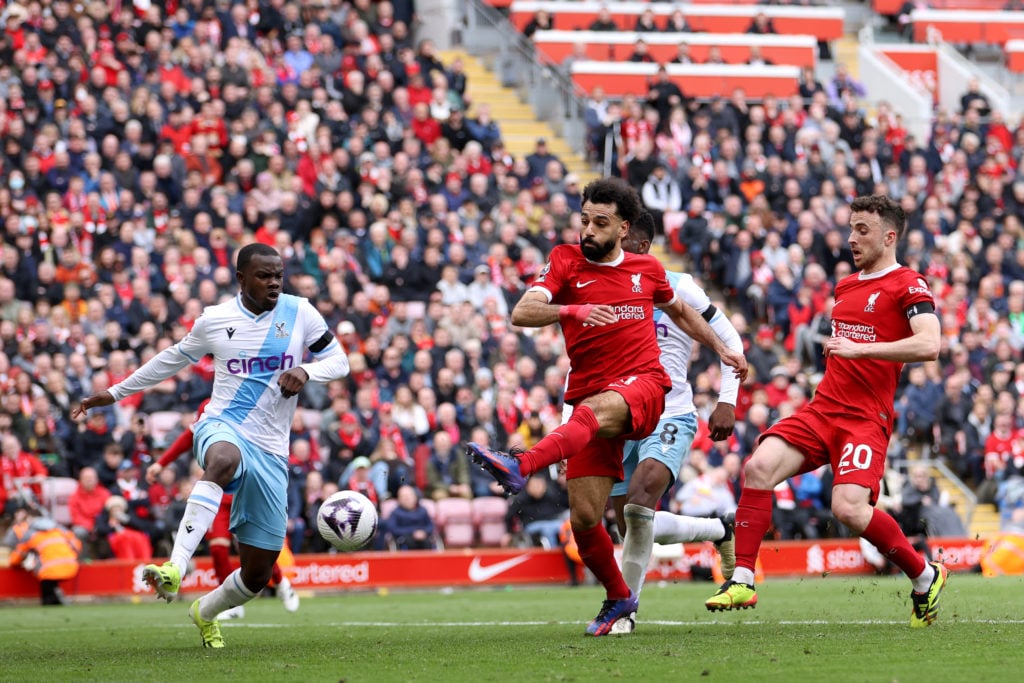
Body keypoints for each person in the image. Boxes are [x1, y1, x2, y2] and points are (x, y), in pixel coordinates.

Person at [469, 178, 747, 636]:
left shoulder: (649, 270)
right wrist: (569, 311)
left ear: (623, 228)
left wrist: (723, 350)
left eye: (600, 223)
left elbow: (680, 311)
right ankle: (620, 597)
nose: (588, 231)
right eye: (584, 221)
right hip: (587, 397)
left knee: (602, 424)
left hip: (648, 389)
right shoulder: (564, 260)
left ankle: (522, 464)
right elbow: (522, 312)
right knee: (586, 517)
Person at [74, 243, 350, 648]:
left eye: (278, 275)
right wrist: (115, 393)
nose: (274, 282)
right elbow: (171, 359)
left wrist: (307, 370)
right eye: (264, 275)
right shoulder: (216, 320)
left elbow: (340, 360)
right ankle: (176, 566)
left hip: (272, 450)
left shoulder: (300, 312)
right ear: (241, 279)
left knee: (257, 574)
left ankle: (205, 611)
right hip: (223, 425)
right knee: (222, 457)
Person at [704, 195, 948, 629]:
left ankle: (925, 575)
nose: (851, 238)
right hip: (822, 410)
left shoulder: (909, 284)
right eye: (851, 228)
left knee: (849, 509)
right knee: (757, 467)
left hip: (864, 418)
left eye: (863, 230)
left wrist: (863, 349)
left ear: (889, 237)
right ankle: (742, 577)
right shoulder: (846, 285)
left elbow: (930, 345)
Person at [613, 211, 745, 605]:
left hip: (670, 413)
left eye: (619, 244)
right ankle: (718, 531)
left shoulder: (680, 287)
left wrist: (727, 400)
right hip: (620, 418)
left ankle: (623, 609)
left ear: (641, 246)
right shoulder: (603, 288)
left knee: (639, 503)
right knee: (631, 528)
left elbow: (729, 338)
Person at [145, 399, 300, 620]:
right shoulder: (208, 405)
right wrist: (161, 463)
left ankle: (282, 583)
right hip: (219, 495)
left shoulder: (254, 398)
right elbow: (189, 437)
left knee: (254, 553)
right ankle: (230, 605)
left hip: (246, 491)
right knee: (218, 549)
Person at [7, 505, 82, 605]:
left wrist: (14, 563)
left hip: (48, 571)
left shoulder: (30, 533)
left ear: (30, 519)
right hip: (71, 566)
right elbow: (77, 545)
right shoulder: (59, 529)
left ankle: (51, 597)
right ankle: (55, 592)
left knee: (35, 560)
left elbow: (18, 555)